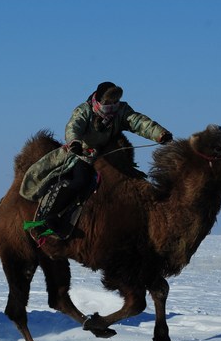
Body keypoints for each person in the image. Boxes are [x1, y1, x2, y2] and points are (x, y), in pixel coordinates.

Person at [20, 82, 172, 238]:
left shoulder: (121, 111)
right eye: (108, 104)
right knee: (80, 181)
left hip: (108, 154)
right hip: (82, 153)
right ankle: (49, 217)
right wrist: (75, 142)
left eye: (115, 103)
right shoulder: (84, 111)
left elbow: (138, 122)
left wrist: (159, 134)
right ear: (99, 102)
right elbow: (74, 127)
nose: (112, 107)